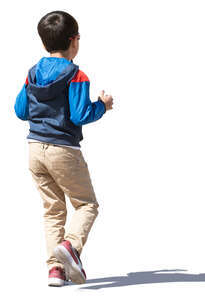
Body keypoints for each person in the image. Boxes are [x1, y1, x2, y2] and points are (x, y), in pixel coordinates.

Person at [14, 10, 114, 287]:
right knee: (87, 204)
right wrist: (102, 106)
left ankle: (56, 270)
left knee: (53, 209)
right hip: (63, 151)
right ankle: (71, 247)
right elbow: (81, 115)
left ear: (44, 42)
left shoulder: (33, 73)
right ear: (75, 41)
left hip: (34, 149)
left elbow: (21, 110)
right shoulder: (76, 75)